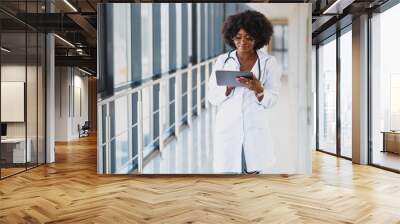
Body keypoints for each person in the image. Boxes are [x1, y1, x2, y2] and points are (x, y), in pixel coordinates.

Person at [207, 10, 282, 174]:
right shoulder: (222, 61)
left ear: (258, 38)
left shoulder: (269, 63)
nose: (243, 42)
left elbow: (273, 99)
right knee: (228, 174)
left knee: (253, 173)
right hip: (228, 127)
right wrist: (227, 89)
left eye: (249, 37)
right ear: (231, 37)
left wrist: (259, 90)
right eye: (238, 37)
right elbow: (212, 96)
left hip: (254, 127)